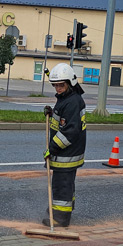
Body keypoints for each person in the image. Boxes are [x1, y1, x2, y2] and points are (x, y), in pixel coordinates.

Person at [41, 63, 86, 228]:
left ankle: (60, 219)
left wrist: (51, 149)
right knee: (64, 185)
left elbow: (69, 132)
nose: (58, 88)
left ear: (70, 83)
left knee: (62, 186)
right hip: (66, 153)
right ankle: (60, 212)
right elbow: (63, 120)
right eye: (55, 85)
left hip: (66, 154)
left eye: (61, 85)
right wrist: (52, 113)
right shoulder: (67, 98)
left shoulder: (72, 102)